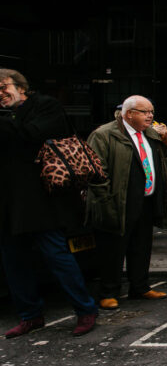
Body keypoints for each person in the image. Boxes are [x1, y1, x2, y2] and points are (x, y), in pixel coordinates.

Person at [0, 69, 99, 338]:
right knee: (13, 262)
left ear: (21, 87)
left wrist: (8, 117)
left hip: (40, 200)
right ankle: (30, 315)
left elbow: (32, 134)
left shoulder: (45, 106)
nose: (0, 94)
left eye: (3, 87)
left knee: (57, 257)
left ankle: (85, 310)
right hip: (8, 201)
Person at [86, 95, 167, 310]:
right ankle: (108, 292)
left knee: (141, 246)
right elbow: (96, 172)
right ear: (129, 114)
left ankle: (140, 286)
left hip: (146, 200)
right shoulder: (105, 134)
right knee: (113, 249)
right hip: (118, 202)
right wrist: (105, 200)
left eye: (151, 111)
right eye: (145, 112)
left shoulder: (150, 134)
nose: (150, 116)